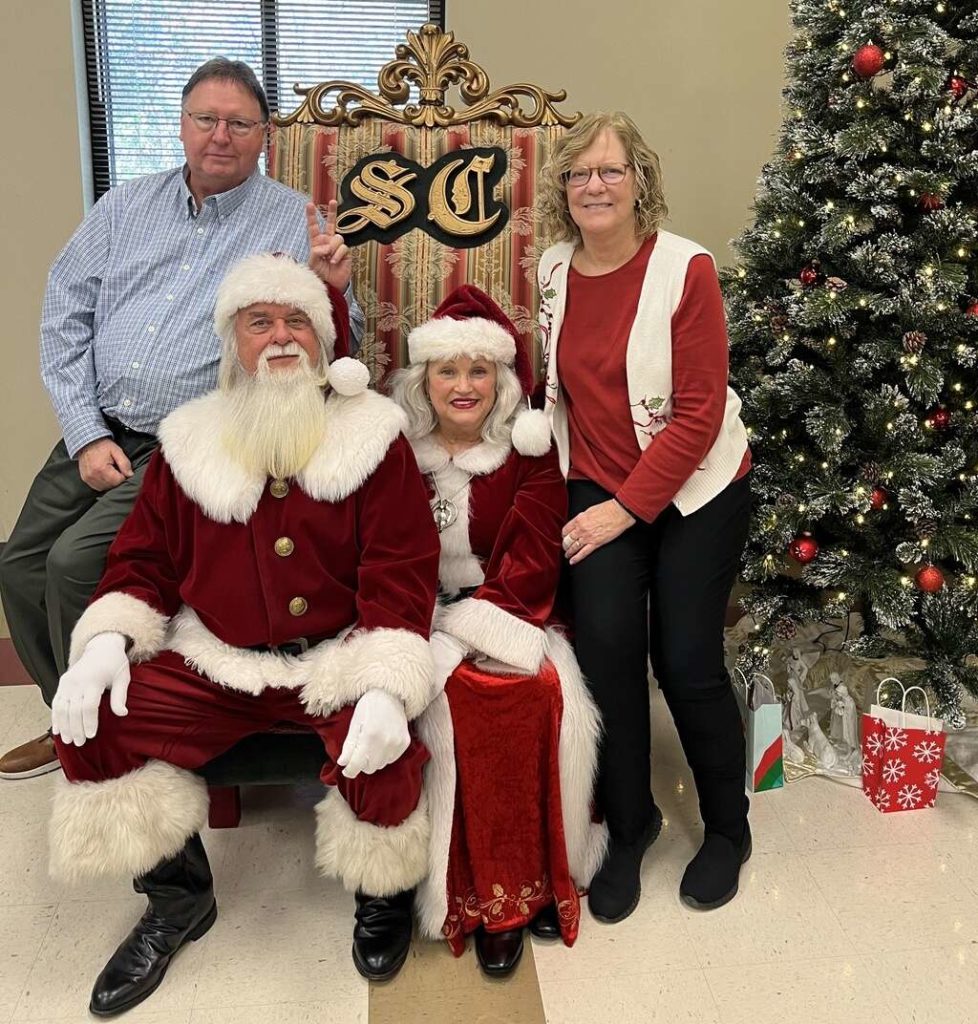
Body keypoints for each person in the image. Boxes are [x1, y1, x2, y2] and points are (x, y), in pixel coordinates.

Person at [47, 253, 439, 1015]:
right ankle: (177, 899)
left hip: (335, 658)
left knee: (391, 741)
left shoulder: (372, 438)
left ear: (324, 344)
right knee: (102, 722)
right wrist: (104, 645)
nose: (281, 337)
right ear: (234, 340)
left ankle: (381, 894)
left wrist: (387, 682)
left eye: (298, 321)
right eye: (260, 322)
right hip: (217, 662)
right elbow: (144, 561)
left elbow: (402, 569)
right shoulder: (187, 442)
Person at [0, 56, 364, 780]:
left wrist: (334, 287)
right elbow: (65, 313)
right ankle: (68, 711)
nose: (219, 136)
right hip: (99, 423)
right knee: (20, 564)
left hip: (192, 436)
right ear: (181, 126)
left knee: (76, 566)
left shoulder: (293, 222)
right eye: (206, 119)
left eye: (238, 123)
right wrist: (85, 431)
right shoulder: (123, 207)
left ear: (264, 135)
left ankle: (113, 741)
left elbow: (331, 347)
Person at [536, 111, 753, 917]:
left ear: (640, 183)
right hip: (599, 482)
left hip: (696, 484)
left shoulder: (684, 269)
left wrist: (625, 511)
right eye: (578, 173)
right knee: (606, 654)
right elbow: (566, 389)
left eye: (610, 171)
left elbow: (697, 416)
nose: (593, 185)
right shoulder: (554, 269)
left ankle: (728, 829)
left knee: (688, 657)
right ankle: (632, 826)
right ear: (563, 189)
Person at [390, 285, 607, 977]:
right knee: (449, 702)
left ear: (502, 380)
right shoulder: (396, 451)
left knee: (529, 694)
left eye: (478, 370)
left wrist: (464, 633)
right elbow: (380, 555)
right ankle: (461, 892)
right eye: (446, 370)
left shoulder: (528, 452)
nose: (462, 386)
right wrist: (426, 632)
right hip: (409, 614)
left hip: (511, 611)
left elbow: (534, 557)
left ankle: (524, 888)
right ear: (424, 378)